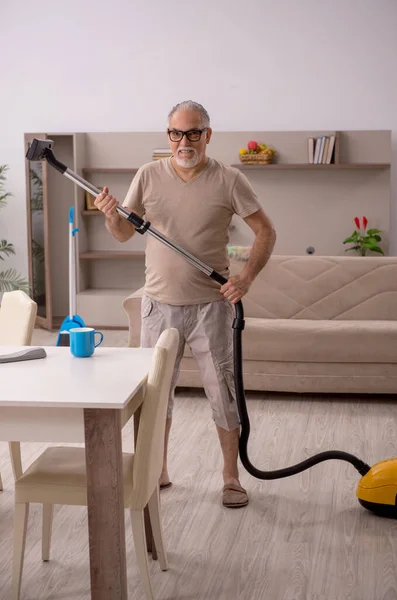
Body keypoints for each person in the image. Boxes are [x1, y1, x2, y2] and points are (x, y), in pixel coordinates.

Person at [94, 100, 276, 508]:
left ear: (208, 135)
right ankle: (155, 470)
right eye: (177, 133)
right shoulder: (148, 175)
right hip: (158, 305)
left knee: (222, 393)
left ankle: (231, 477)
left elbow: (265, 231)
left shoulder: (229, 180)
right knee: (155, 394)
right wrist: (110, 215)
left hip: (211, 306)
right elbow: (123, 233)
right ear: (168, 135)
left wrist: (244, 278)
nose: (184, 141)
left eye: (194, 132)